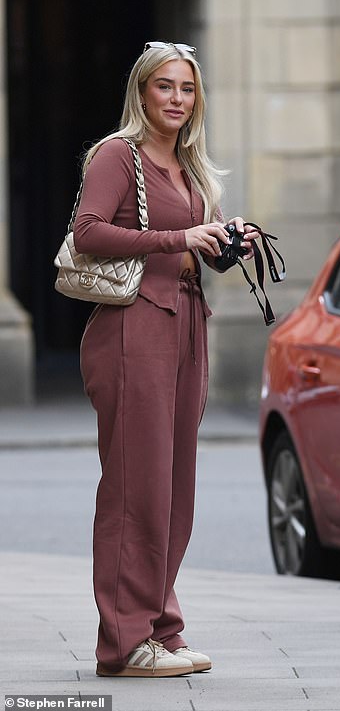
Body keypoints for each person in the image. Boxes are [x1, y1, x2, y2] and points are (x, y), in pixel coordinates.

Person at [73, 41, 259, 678]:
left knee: (176, 489)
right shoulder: (116, 155)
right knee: (136, 488)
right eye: (165, 88)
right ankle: (123, 644)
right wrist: (180, 235)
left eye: (187, 89)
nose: (177, 100)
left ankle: (160, 626)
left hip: (184, 324)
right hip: (132, 329)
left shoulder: (188, 166)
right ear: (141, 92)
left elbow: (188, 250)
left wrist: (224, 243)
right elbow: (88, 231)